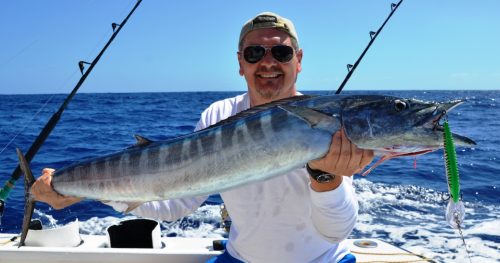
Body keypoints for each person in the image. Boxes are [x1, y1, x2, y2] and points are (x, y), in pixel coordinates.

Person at [32, 12, 374, 263]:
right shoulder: (217, 115)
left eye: (281, 53)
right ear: (241, 63)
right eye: (255, 53)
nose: (268, 62)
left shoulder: (333, 122)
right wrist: (79, 191)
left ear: (298, 61)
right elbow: (174, 205)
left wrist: (326, 178)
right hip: (238, 259)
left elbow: (335, 231)